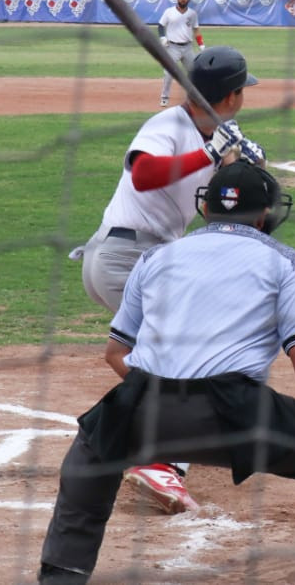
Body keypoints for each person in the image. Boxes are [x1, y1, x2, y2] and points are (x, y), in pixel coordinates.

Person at [38, 161, 295, 585]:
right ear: (265, 215)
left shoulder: (156, 256)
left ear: (206, 210)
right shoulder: (289, 264)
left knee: (91, 450)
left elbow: (117, 353)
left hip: (143, 407)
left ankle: (61, 575)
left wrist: (164, 400)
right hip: (235, 415)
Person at [74, 46, 265, 514]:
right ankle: (160, 460)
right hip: (127, 256)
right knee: (187, 355)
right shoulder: (167, 127)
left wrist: (240, 170)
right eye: (244, 90)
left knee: (181, 351)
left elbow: (211, 207)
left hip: (149, 259)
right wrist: (207, 154)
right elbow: (143, 175)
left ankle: (137, 432)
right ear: (233, 95)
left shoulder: (214, 133)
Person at [157, 0, 204, 107]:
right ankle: (164, 97)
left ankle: (195, 97)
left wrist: (201, 45)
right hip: (172, 47)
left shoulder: (192, 13)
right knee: (168, 73)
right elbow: (161, 26)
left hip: (187, 47)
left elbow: (196, 30)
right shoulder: (169, 12)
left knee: (194, 73)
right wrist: (163, 37)